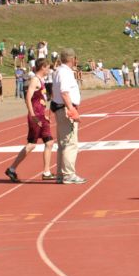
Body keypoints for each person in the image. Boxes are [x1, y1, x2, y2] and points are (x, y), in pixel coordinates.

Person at [5, 59, 56, 183]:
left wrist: (45, 114)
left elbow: (40, 100)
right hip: (36, 116)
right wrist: (33, 115)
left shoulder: (41, 80)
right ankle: (12, 168)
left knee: (49, 142)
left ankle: (46, 172)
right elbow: (28, 98)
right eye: (48, 67)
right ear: (43, 67)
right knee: (32, 144)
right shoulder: (34, 80)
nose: (49, 70)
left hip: (42, 116)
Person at [51, 48, 85, 184]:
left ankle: (61, 174)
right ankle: (68, 174)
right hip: (66, 109)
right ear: (72, 59)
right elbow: (65, 92)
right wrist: (72, 110)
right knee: (70, 143)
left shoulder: (58, 71)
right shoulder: (65, 72)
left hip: (60, 108)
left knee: (63, 143)